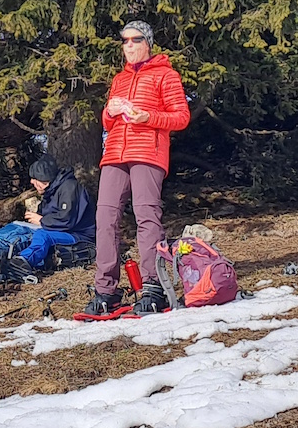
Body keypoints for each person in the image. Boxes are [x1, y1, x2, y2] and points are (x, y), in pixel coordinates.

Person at [84, 21, 192, 319]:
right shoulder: (119, 79)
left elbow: (181, 117)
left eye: (135, 39)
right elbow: (107, 123)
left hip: (147, 152)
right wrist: (109, 112)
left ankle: (153, 286)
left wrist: (148, 117)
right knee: (105, 217)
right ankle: (106, 290)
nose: (129, 45)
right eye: (125, 40)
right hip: (114, 154)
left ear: (148, 43)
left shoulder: (166, 75)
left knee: (146, 216)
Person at [15, 156, 95, 275]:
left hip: (79, 235)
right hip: (62, 231)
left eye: (35, 178)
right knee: (20, 231)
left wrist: (42, 221)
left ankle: (23, 262)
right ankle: (7, 258)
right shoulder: (51, 190)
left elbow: (67, 219)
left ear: (44, 180)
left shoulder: (69, 187)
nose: (31, 182)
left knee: (43, 235)